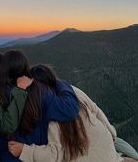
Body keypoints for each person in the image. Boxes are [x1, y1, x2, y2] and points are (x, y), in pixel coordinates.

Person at [8, 65, 138, 162]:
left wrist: (24, 150)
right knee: (121, 145)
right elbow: (96, 109)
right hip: (108, 148)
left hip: (87, 157)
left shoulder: (51, 113)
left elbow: (55, 154)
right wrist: (112, 133)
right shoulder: (73, 92)